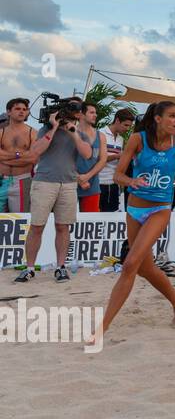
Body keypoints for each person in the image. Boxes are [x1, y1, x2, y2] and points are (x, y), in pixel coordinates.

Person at [93, 101, 175, 342]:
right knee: (144, 268)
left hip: (160, 210)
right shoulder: (138, 139)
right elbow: (117, 174)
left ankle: (103, 327)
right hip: (134, 209)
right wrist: (130, 181)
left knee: (130, 263)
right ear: (157, 118)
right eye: (172, 116)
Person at [14, 100, 94, 282]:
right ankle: (29, 268)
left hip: (68, 184)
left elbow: (87, 154)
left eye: (77, 110)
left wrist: (72, 132)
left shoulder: (80, 133)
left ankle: (60, 267)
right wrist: (54, 128)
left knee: (63, 227)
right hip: (44, 182)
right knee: (37, 226)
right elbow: (36, 151)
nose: (74, 112)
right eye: (71, 109)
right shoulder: (46, 129)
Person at [96, 108, 135, 212]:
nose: (127, 128)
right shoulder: (100, 133)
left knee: (112, 215)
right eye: (125, 125)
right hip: (99, 182)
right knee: (97, 215)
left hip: (113, 183)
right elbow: (96, 158)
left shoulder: (120, 139)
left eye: (129, 126)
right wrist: (118, 156)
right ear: (117, 121)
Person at [2, 97, 37, 212]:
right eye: (17, 109)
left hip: (23, 180)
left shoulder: (33, 133)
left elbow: (33, 158)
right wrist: (19, 154)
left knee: (21, 220)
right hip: (1, 179)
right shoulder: (1, 132)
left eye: (24, 109)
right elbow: (27, 156)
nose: (22, 111)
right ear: (8, 111)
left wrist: (4, 158)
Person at [74, 102, 107, 213]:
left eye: (95, 113)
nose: (95, 115)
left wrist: (87, 176)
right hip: (70, 183)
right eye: (91, 112)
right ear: (81, 115)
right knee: (66, 222)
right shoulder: (71, 132)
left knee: (91, 221)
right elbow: (63, 159)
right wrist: (78, 177)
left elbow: (103, 160)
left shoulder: (100, 136)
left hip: (92, 186)